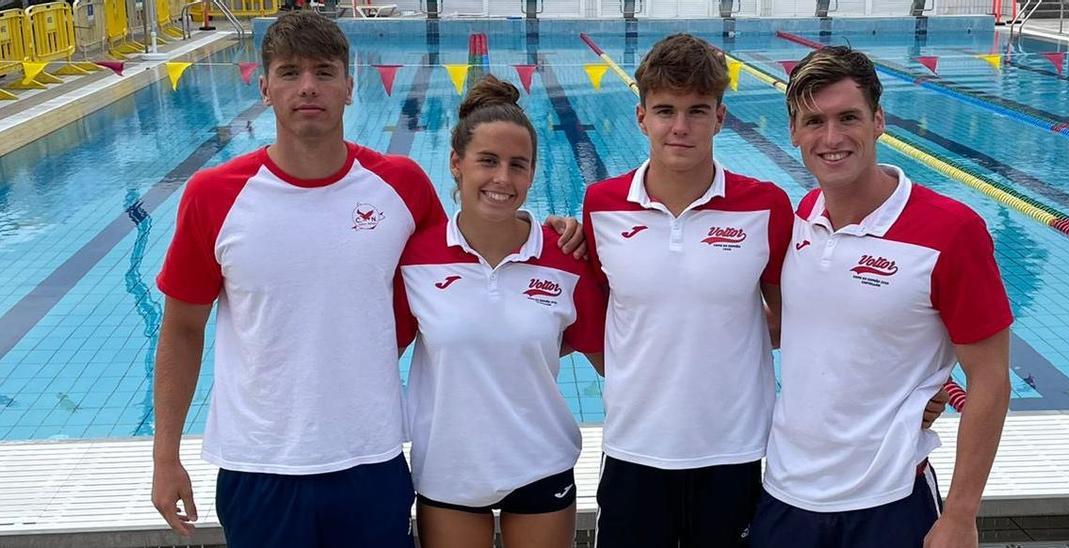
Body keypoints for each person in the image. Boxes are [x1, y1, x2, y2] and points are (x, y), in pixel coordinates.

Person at [149, 12, 581, 546]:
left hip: (371, 460)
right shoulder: (213, 194)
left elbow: (474, 246)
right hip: (259, 461)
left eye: (324, 72)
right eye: (289, 72)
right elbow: (182, 328)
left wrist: (552, 229)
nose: (308, 87)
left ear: (350, 86)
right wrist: (165, 457)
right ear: (263, 87)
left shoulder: (400, 186)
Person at [749, 46, 1013, 548]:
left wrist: (961, 515)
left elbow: (991, 379)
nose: (831, 138)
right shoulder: (801, 217)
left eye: (848, 118)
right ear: (793, 132)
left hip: (890, 500)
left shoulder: (951, 231)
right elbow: (784, 327)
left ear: (878, 121)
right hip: (784, 493)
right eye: (814, 121)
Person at [580, 33, 794, 548]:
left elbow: (793, 317)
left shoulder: (766, 205)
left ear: (720, 118)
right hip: (636, 447)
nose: (680, 127)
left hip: (733, 449)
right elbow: (596, 323)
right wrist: (646, 369)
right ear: (641, 117)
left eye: (698, 110)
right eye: (665, 110)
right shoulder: (600, 205)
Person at [399, 74, 606, 548]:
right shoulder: (414, 257)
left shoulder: (564, 255)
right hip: (449, 470)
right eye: (487, 161)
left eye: (518, 165)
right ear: (456, 163)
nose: (503, 179)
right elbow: (373, 351)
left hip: (540, 461)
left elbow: (611, 360)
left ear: (532, 173)